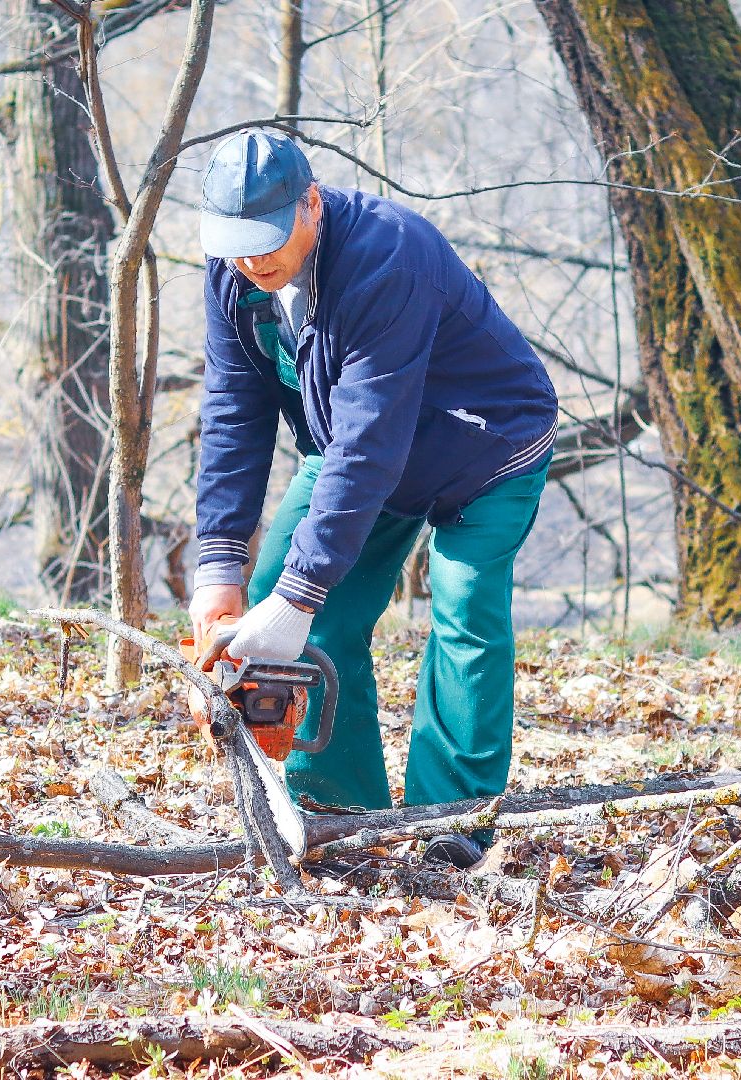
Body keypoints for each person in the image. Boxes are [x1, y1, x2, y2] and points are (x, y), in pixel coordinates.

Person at [188, 129, 557, 868]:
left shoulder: (388, 258)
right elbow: (234, 410)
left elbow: (367, 446)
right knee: (278, 601)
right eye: (236, 242)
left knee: (463, 614)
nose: (253, 259)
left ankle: (449, 822)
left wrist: (300, 595)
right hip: (363, 446)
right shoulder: (234, 276)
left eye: (267, 239)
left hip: (483, 444)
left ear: (312, 205)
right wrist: (218, 567)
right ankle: (338, 813)